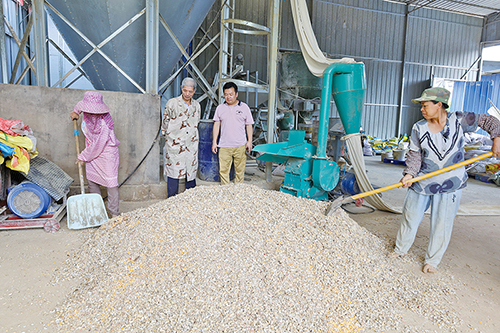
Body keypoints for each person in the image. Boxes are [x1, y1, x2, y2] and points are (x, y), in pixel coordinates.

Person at [389, 87, 500, 273]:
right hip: (423, 181)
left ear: (439, 105)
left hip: (451, 183)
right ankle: (400, 250)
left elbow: (490, 121)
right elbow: (415, 154)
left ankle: (432, 261)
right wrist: (409, 174)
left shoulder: (460, 119)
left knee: (442, 222)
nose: (422, 110)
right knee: (410, 215)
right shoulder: (419, 127)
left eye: (425, 105)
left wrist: (497, 138)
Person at [70, 91, 121, 217]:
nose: (91, 113)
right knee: (92, 180)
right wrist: (76, 112)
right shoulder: (86, 113)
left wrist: (83, 156)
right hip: (91, 151)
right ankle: (97, 212)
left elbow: (98, 145)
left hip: (106, 153)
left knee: (111, 183)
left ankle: (114, 213)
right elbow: (78, 107)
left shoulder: (104, 124)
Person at [162, 77, 201, 197]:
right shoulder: (172, 103)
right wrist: (170, 136)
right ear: (181, 88)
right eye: (185, 91)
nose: (187, 94)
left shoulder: (197, 105)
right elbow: (165, 122)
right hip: (175, 145)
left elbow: (196, 123)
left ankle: (189, 203)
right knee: (173, 173)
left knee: (190, 174)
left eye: (190, 91)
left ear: (194, 91)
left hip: (191, 145)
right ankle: (171, 202)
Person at [211, 81, 254, 184]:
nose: (228, 97)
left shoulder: (244, 107)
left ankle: (238, 193)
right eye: (226, 94)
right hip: (224, 146)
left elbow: (249, 125)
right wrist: (214, 142)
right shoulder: (220, 108)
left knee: (240, 172)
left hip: (240, 145)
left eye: (231, 94)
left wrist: (250, 141)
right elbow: (216, 125)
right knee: (223, 171)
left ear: (236, 94)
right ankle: (226, 192)